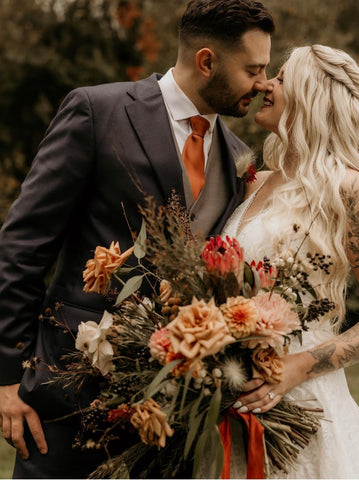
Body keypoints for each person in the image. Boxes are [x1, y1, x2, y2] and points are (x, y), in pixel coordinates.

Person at [0, 1, 274, 478]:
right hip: (68, 393)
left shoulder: (236, 154)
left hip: (173, 414)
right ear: (207, 61)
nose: (263, 83)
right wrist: (6, 379)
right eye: (254, 68)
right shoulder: (97, 111)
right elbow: (22, 248)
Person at [222, 44, 359, 478]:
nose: (266, 85)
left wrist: (298, 367)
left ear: (312, 94)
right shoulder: (252, 181)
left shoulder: (348, 189)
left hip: (302, 402)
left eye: (281, 77)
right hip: (229, 397)